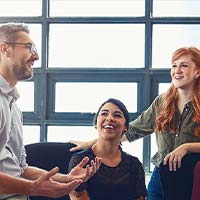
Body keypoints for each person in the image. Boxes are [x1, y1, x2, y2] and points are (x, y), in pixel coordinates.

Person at [70, 46, 200, 199]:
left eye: (184, 65)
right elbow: (133, 130)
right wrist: (92, 143)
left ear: (197, 71)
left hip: (193, 176)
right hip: (161, 175)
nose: (177, 70)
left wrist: (186, 148)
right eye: (174, 65)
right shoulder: (162, 102)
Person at [0, 22, 101, 200]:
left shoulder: (13, 106)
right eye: (29, 47)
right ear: (5, 49)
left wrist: (65, 178)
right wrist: (33, 188)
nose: (36, 56)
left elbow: (21, 168)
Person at [68, 98, 147, 200]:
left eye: (117, 115)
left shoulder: (134, 164)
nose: (109, 118)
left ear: (126, 127)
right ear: (96, 123)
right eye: (104, 113)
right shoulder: (81, 161)